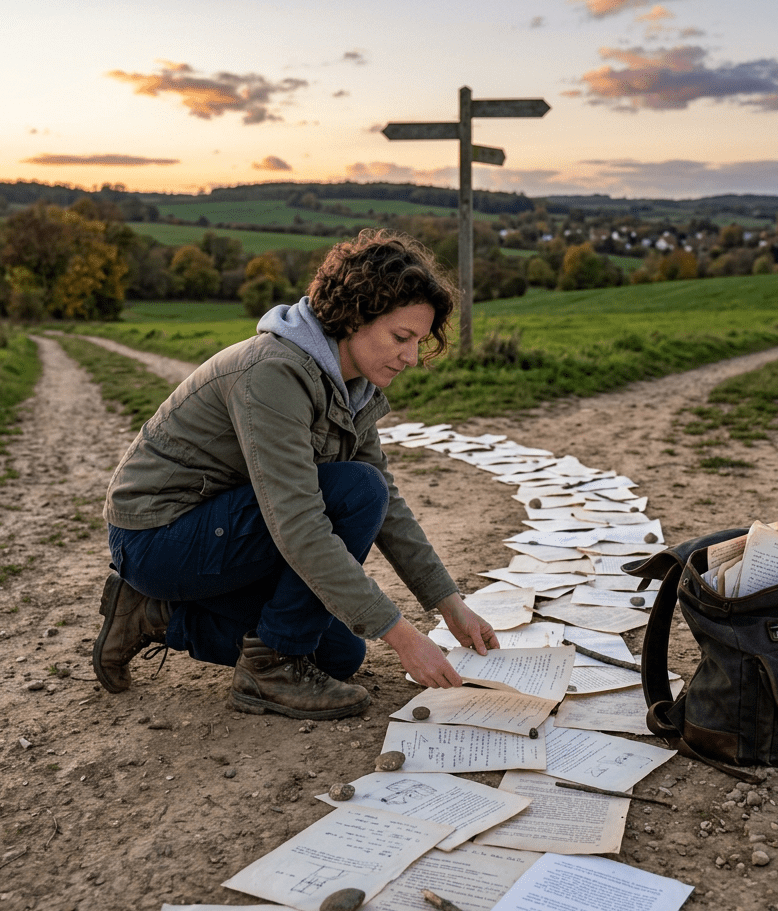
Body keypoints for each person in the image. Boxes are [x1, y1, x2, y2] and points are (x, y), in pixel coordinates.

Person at [95, 229, 497, 720]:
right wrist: (403, 636)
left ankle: (155, 616)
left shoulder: (351, 386)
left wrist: (449, 605)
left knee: (340, 656)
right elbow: (300, 525)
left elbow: (389, 507)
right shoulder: (274, 373)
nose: (412, 357)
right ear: (354, 316)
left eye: (418, 341)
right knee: (356, 491)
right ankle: (271, 668)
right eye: (401, 337)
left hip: (220, 530)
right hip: (158, 537)